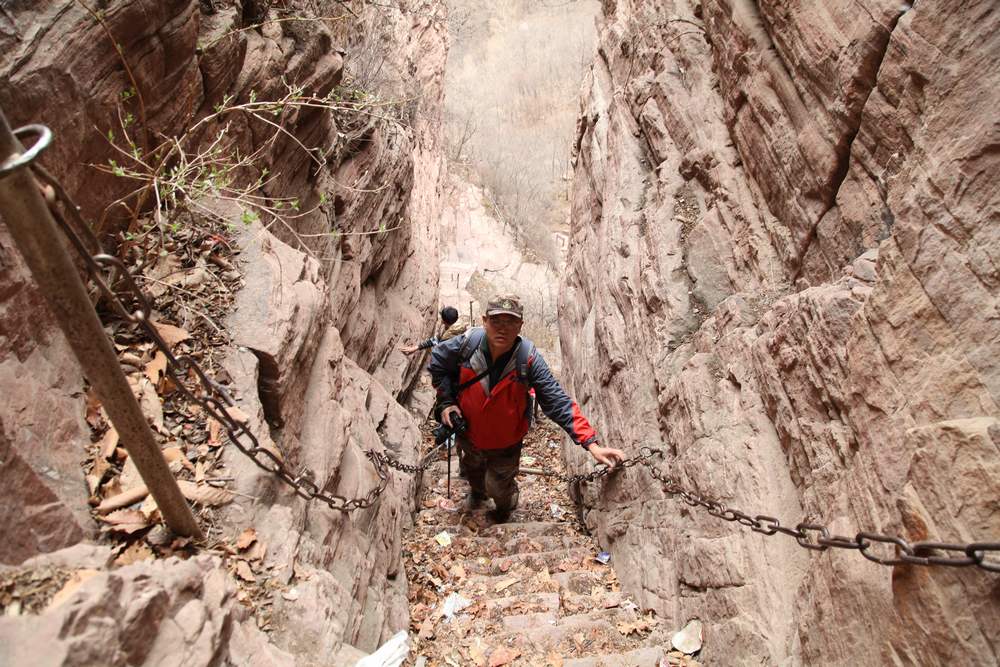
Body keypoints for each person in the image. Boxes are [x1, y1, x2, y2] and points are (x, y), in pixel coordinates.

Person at [428, 294, 625, 522]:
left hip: (506, 444)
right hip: (467, 434)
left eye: (510, 322)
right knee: (473, 473)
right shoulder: (465, 345)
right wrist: (446, 402)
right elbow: (438, 362)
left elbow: (556, 400)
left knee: (499, 490)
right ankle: (477, 493)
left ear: (520, 325)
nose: (503, 329)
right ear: (484, 321)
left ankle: (505, 505)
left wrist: (591, 444)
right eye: (496, 321)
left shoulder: (528, 359)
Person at [401, 306, 467, 355]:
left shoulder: (452, 339)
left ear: (444, 322)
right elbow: (436, 339)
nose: (441, 320)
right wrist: (417, 347)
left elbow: (440, 345)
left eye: (442, 319)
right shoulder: (455, 325)